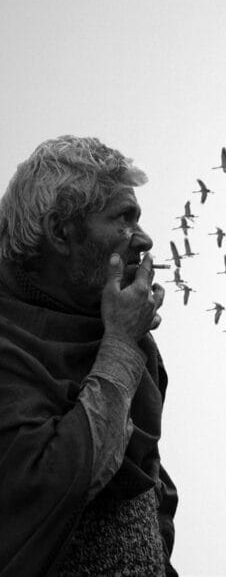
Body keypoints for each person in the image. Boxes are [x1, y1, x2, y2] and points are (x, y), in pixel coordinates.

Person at [0, 136, 177, 576]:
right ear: (62, 231)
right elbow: (57, 481)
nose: (144, 238)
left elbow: (153, 493)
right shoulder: (10, 347)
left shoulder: (117, 334)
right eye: (123, 218)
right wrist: (119, 343)